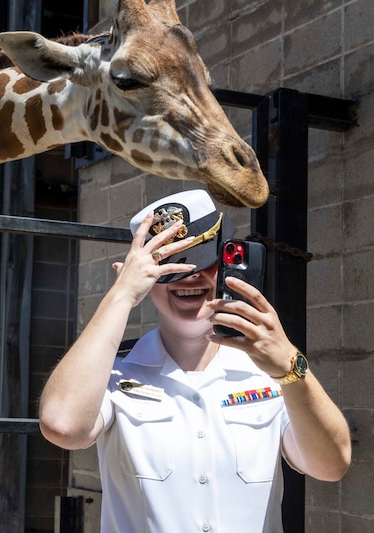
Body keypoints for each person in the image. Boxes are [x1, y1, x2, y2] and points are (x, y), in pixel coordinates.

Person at [38, 190, 351, 532]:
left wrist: (291, 366)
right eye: (169, 268)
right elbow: (62, 425)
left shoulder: (271, 374)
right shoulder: (113, 374)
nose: (189, 278)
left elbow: (331, 465)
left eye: (203, 263)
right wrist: (121, 296)